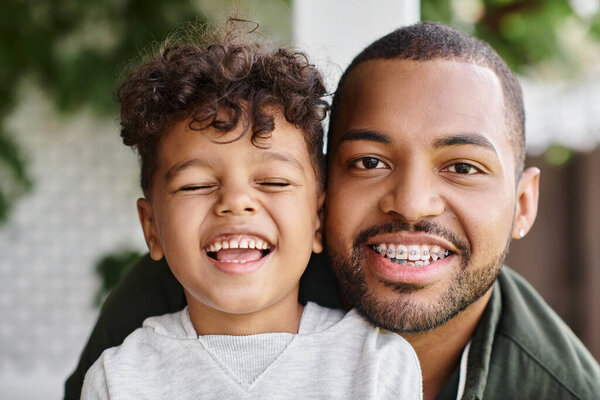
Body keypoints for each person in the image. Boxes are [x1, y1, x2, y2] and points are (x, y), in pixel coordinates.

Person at [66, 21, 600, 400]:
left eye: (462, 167)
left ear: (523, 205)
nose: (411, 203)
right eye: (369, 161)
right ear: (321, 190)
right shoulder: (182, 289)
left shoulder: (561, 388)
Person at [79, 22, 422, 399]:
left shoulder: (376, 365)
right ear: (151, 228)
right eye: (196, 185)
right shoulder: (119, 377)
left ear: (318, 220)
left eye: (273, 182)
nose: (235, 202)